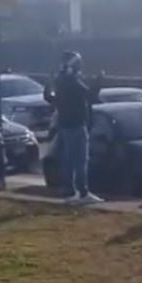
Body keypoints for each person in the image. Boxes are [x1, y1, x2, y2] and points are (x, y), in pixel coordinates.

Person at [44, 51, 102, 203]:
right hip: (76, 124)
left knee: (68, 159)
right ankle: (83, 192)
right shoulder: (73, 82)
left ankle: (70, 191)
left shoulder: (60, 81)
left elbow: (49, 98)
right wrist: (99, 80)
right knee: (81, 160)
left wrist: (47, 84)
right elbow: (90, 95)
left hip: (64, 125)